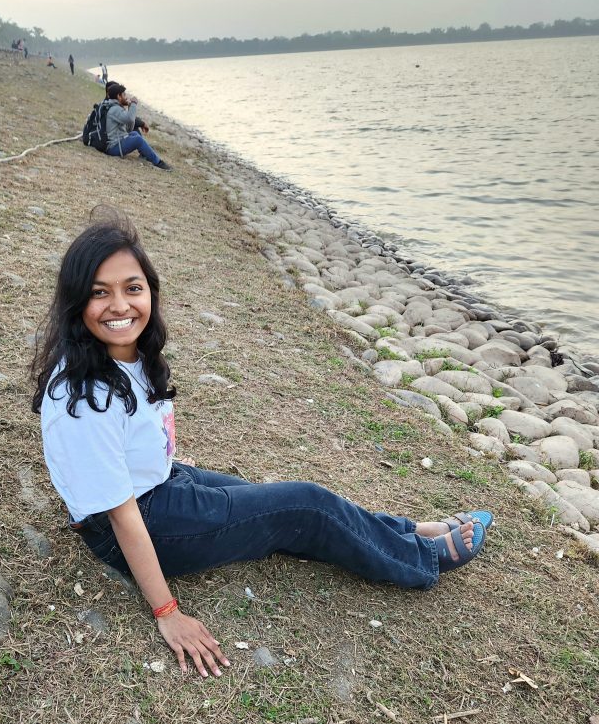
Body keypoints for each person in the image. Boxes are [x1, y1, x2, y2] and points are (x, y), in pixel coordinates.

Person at [33, 213, 491, 680]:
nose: (119, 305)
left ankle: (407, 530)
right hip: (134, 522)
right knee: (303, 504)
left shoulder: (126, 355)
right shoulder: (84, 396)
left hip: (158, 484)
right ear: (77, 303)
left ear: (150, 290)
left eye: (132, 288)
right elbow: (122, 514)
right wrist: (167, 611)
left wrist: (164, 462)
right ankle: (420, 559)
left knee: (274, 508)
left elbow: (133, 438)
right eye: (99, 292)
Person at [104, 84, 171, 171]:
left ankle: (145, 154)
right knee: (137, 140)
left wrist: (129, 107)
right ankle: (158, 163)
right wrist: (134, 104)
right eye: (124, 95)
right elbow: (131, 119)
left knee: (135, 133)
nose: (126, 97)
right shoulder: (115, 109)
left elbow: (130, 126)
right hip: (113, 147)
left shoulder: (114, 107)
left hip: (116, 143)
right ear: (119, 96)